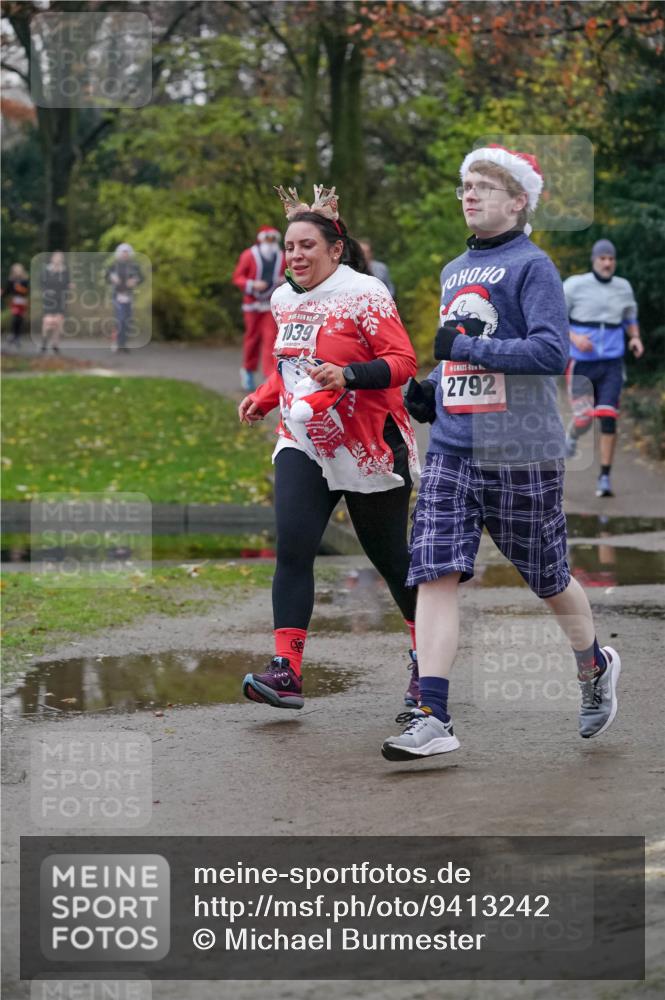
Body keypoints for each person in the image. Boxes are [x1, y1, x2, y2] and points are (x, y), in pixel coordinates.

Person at [382, 145, 621, 762]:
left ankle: (592, 664)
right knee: (434, 570)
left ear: (518, 200)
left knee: (548, 577)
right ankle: (432, 713)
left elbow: (548, 352)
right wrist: (432, 390)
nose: (471, 193)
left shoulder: (532, 267)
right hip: (455, 450)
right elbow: (456, 349)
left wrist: (467, 348)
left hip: (521, 451)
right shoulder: (453, 269)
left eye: (486, 185)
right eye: (466, 183)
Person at [238, 184, 421, 711]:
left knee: (390, 559)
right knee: (293, 548)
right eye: (290, 247)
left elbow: (403, 362)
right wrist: (265, 397)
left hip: (368, 445)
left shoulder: (364, 293)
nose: (295, 255)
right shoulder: (281, 299)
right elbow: (289, 367)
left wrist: (349, 375)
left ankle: (424, 660)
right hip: (303, 440)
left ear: (335, 250)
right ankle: (286, 672)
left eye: (306, 246)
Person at [563, 239, 643, 497]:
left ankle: (605, 478)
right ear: (594, 260)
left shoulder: (623, 287)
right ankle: (573, 435)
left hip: (611, 362)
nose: (607, 263)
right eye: (603, 258)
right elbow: (554, 317)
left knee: (608, 417)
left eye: (611, 258)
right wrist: (575, 338)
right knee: (585, 419)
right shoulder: (575, 285)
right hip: (581, 363)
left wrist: (635, 337)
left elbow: (630, 316)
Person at [232, 226, 286, 391]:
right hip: (252, 305)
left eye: (273, 240)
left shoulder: (281, 257)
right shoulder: (249, 255)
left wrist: (285, 280)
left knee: (271, 338)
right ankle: (248, 370)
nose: (270, 243)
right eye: (267, 240)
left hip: (270, 305)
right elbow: (238, 277)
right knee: (252, 339)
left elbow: (289, 273)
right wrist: (252, 284)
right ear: (261, 239)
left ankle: (270, 376)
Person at [105, 243, 144, 352]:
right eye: (123, 252)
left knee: (127, 320)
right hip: (117, 295)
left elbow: (141, 278)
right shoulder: (114, 265)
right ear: (119, 253)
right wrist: (112, 279)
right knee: (120, 319)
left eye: (127, 253)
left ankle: (123, 343)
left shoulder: (134, 266)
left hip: (129, 295)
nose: (125, 255)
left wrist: (134, 281)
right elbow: (106, 277)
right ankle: (117, 342)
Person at [40, 252, 71, 353]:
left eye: (60, 257)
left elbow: (67, 283)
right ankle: (44, 341)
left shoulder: (65, 271)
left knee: (58, 321)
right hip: (49, 298)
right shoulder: (47, 270)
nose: (58, 259)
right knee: (48, 320)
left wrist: (70, 286)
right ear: (52, 258)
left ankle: (55, 344)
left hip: (61, 298)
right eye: (56, 257)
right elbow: (42, 283)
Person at [2, 263, 29, 347]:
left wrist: (19, 288)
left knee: (20, 319)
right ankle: (13, 334)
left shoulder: (25, 280)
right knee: (15, 318)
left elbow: (26, 291)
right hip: (15, 301)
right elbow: (7, 291)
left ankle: (17, 336)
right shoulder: (11, 281)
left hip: (22, 301)